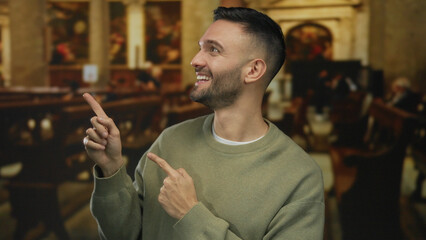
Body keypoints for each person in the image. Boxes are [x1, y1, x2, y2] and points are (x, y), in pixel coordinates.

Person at [83, 7, 324, 239]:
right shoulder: (170, 140)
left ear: (253, 70)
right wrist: (112, 168)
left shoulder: (300, 175)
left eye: (214, 50)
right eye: (200, 48)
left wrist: (190, 215)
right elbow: (123, 235)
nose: (195, 60)